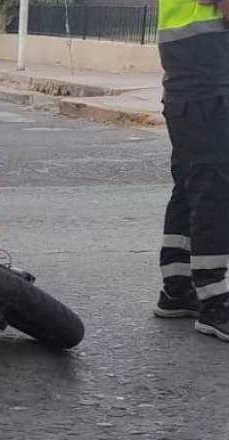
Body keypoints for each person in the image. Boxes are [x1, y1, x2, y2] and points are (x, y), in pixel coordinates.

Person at [153, 0, 229, 341]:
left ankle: (177, 287)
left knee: (190, 184)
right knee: (214, 185)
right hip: (207, 81)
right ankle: (214, 301)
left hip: (191, 83)